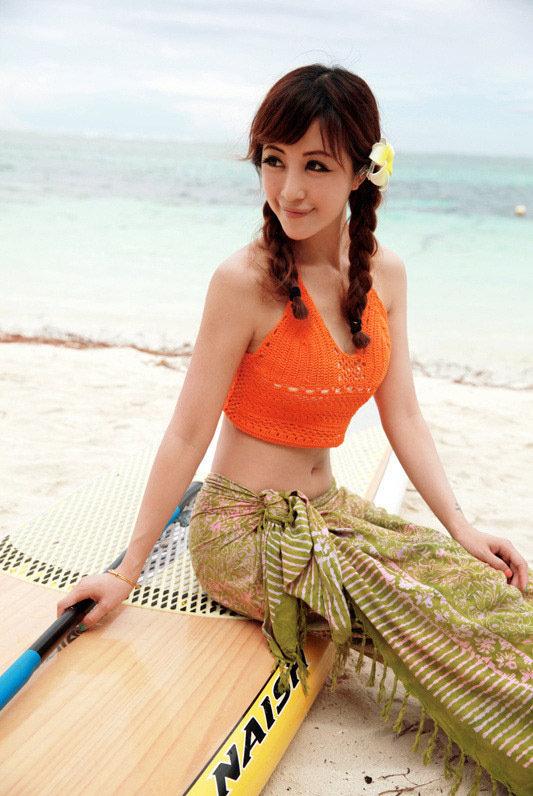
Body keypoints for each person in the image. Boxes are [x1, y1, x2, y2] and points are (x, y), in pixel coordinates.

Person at [57, 64, 532, 796]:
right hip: (242, 533)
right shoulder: (242, 282)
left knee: (481, 592)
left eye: (316, 165)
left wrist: (462, 528)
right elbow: (186, 433)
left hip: (330, 513)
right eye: (274, 161)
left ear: (361, 173)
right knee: (428, 618)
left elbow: (403, 415)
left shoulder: (386, 276)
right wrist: (127, 571)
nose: (288, 190)